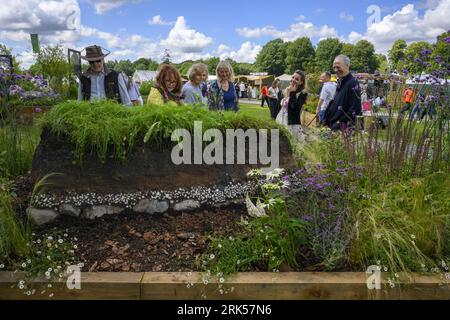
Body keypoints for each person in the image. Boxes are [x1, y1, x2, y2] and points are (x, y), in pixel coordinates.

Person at [324, 55, 362, 130]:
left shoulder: (353, 83)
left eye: (338, 67)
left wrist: (339, 123)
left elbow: (355, 109)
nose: (335, 70)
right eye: (334, 67)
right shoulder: (341, 82)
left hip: (342, 131)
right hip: (333, 127)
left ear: (347, 65)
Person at [283, 70, 308, 139]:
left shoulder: (303, 93)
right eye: (293, 77)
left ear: (301, 82)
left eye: (297, 79)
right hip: (283, 119)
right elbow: (283, 106)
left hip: (293, 124)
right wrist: (288, 93)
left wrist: (292, 93)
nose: (293, 80)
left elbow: (294, 107)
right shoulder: (288, 89)